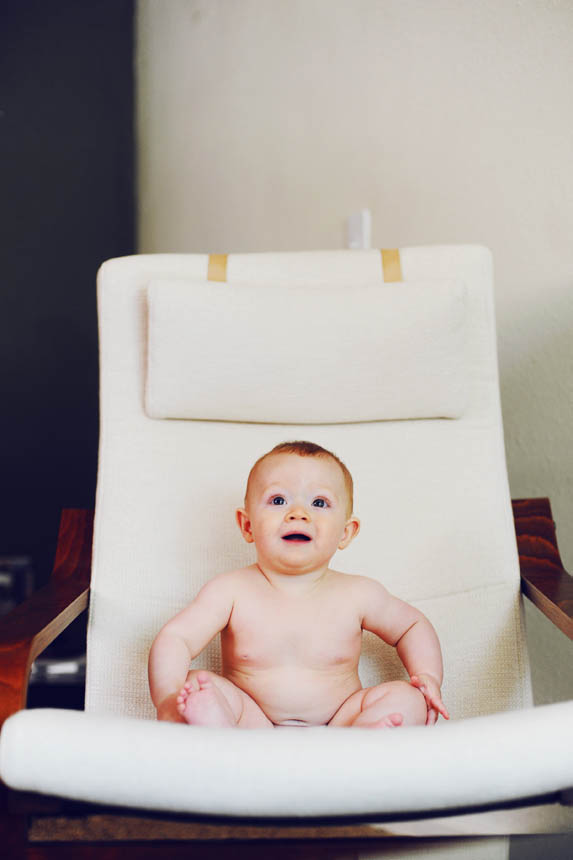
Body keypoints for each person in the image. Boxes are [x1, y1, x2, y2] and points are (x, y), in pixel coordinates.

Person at [148, 441, 449, 729]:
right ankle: (215, 722)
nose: (298, 513)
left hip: (343, 721)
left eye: (319, 502)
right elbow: (177, 638)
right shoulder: (230, 591)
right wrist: (166, 700)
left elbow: (411, 625)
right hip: (251, 721)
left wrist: (427, 675)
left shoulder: (359, 593)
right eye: (278, 500)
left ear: (346, 532)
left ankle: (367, 733)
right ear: (247, 525)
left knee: (408, 698)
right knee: (198, 683)